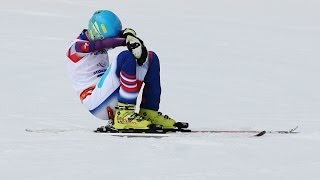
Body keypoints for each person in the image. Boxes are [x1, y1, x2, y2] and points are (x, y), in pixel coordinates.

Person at [66, 10, 176, 130]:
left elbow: (112, 39)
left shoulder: (97, 38)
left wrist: (129, 34)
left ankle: (149, 112)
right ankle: (124, 115)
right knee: (125, 57)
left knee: (151, 58)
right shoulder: (75, 47)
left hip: (108, 94)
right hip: (95, 101)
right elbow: (103, 43)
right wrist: (126, 40)